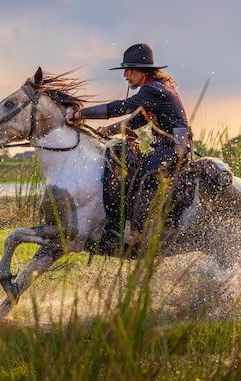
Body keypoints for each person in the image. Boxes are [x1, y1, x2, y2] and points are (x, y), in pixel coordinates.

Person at [67, 43, 192, 245]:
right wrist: (111, 129)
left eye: (128, 70)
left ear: (140, 71)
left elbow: (123, 107)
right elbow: (137, 120)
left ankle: (141, 234)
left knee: (143, 179)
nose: (125, 75)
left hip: (172, 149)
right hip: (168, 148)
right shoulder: (155, 88)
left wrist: (83, 113)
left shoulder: (153, 89)